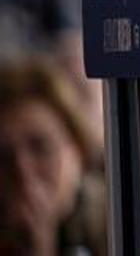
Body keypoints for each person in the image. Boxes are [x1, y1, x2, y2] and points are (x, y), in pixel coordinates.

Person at [0, 59, 107, 256]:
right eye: (3, 157)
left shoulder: (119, 227)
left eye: (40, 147)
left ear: (77, 152)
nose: (22, 169)